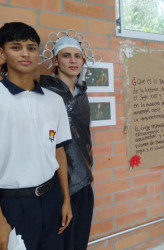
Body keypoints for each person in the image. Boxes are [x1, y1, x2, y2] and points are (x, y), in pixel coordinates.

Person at [0, 22, 72, 250]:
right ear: (2, 53)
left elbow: (59, 151)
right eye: (16, 47)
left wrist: (66, 200)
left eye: (31, 48)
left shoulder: (54, 100)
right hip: (11, 203)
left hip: (51, 198)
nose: (25, 53)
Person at [39, 33, 94, 250]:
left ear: (83, 61)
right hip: (57, 184)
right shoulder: (44, 94)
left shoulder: (82, 93)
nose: (73, 61)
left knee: (79, 241)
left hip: (83, 181)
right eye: (66, 56)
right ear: (55, 61)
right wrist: (63, 194)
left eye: (77, 56)